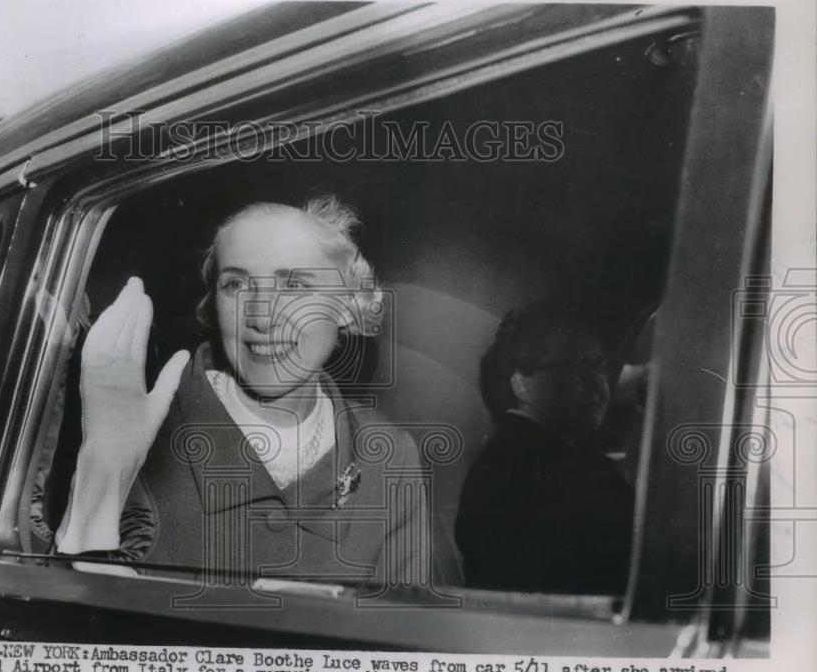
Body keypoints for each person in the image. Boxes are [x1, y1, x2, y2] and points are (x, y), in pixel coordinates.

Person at [55, 196, 435, 588]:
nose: (260, 315)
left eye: (294, 284)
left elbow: (408, 631)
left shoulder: (390, 453)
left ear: (346, 303)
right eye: (236, 284)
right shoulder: (148, 432)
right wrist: (101, 470)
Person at [455, 303, 635, 595]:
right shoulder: (530, 470)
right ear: (522, 384)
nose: (599, 385)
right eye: (579, 369)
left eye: (601, 368)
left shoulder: (520, 457)